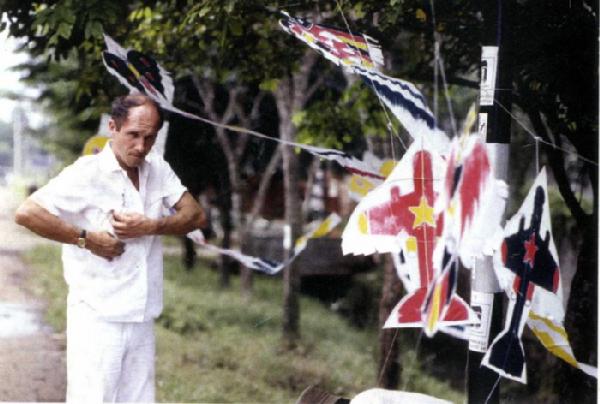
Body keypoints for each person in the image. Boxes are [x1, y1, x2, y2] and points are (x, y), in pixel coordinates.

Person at [15, 94, 204, 402]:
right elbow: (27, 212)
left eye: (150, 137)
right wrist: (87, 239)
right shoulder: (86, 173)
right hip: (97, 315)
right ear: (113, 128)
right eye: (133, 135)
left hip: (141, 315)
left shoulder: (156, 167)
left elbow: (195, 215)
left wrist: (152, 226)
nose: (141, 146)